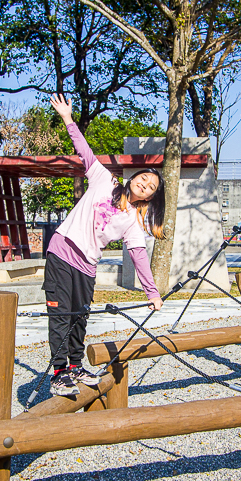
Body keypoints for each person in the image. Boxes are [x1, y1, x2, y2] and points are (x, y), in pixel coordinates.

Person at [44, 94, 166, 397]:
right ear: (134, 177)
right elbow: (84, 151)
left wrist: (153, 293)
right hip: (62, 251)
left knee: (79, 317)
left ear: (150, 198)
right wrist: (68, 119)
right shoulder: (105, 180)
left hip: (87, 265)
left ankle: (74, 366)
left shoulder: (132, 221)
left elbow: (139, 257)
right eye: (144, 179)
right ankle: (59, 373)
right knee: (61, 316)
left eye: (151, 188)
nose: (145, 185)